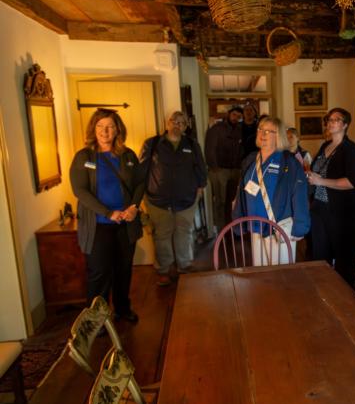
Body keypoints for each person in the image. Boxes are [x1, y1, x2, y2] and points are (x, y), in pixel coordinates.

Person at [70, 108, 143, 323]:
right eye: (100, 126)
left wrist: (134, 207)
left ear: (117, 129)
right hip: (98, 226)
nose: (105, 131)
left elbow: (139, 183)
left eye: (110, 126)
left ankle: (122, 309)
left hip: (125, 224)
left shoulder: (127, 155)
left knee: (123, 269)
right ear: (94, 128)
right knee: (99, 274)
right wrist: (108, 212)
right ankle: (95, 321)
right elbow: (80, 191)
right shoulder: (84, 157)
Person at [140, 111, 208, 286]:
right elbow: (142, 170)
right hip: (157, 201)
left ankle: (184, 266)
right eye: (174, 121)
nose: (177, 125)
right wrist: (142, 196)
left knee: (183, 233)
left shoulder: (192, 145)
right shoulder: (152, 143)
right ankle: (163, 270)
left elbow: (201, 168)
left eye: (181, 122)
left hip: (186, 200)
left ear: (185, 127)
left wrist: (200, 189)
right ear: (167, 123)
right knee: (162, 235)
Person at [233, 117, 310, 265]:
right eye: (260, 130)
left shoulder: (289, 162)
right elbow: (241, 193)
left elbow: (299, 194)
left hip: (279, 228)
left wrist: (300, 226)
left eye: (268, 131)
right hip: (255, 227)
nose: (263, 134)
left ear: (279, 135)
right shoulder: (250, 159)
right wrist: (238, 220)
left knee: (281, 278)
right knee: (260, 273)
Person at [307, 107, 355, 287]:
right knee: (319, 255)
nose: (331, 123)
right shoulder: (325, 146)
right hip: (319, 208)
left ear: (345, 124)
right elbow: (317, 173)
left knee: (343, 259)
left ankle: (344, 298)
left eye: (336, 119)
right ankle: (322, 291)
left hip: (340, 212)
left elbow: (351, 182)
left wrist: (321, 181)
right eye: (329, 120)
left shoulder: (351, 150)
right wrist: (310, 176)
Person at [204, 107, 243, 231]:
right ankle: (220, 228)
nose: (235, 117)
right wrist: (214, 168)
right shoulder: (216, 128)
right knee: (220, 200)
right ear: (228, 114)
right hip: (220, 170)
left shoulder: (239, 129)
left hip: (236, 170)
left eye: (238, 116)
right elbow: (209, 148)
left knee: (234, 200)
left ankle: (233, 225)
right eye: (234, 114)